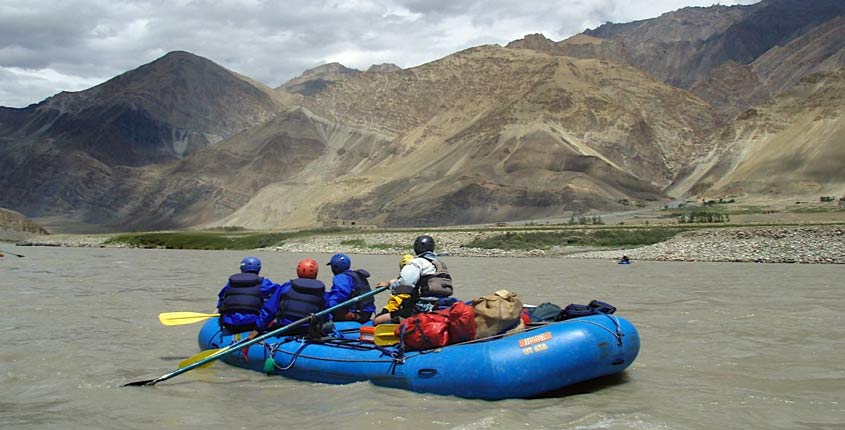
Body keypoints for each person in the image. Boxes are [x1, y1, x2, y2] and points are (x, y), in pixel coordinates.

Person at [373, 235, 454, 325]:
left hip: (421, 308)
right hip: (442, 306)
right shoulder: (440, 264)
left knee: (377, 320)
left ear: (416, 248)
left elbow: (405, 284)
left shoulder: (417, 262)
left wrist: (392, 286)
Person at [246, 258, 327, 340]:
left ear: (298, 272)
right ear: (316, 273)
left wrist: (257, 329)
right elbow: (327, 311)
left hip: (286, 329)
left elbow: (269, 310)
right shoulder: (321, 290)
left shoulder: (287, 287)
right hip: (308, 330)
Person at [216, 256, 279, 332]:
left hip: (229, 324)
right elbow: (279, 292)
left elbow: (221, 299)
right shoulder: (264, 282)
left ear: (242, 268)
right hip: (252, 324)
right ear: (258, 269)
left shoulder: (231, 282)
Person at [324, 253, 375, 322]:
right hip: (367, 312)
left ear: (334, 268)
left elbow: (338, 297)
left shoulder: (341, 278)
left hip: (356, 313)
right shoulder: (356, 275)